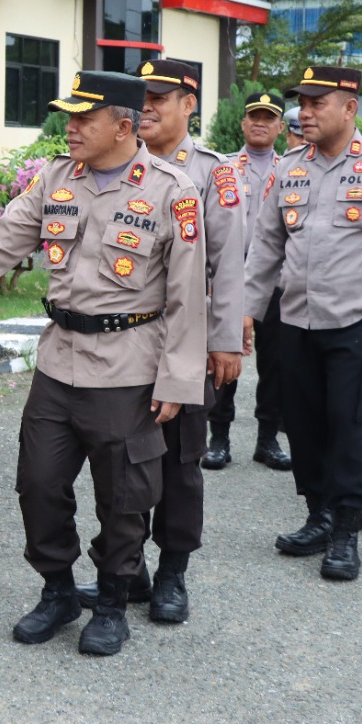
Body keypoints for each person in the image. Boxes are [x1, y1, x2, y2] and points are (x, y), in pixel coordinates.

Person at [0, 71, 208, 656]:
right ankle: (59, 590)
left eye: (82, 119)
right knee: (38, 483)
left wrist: (179, 378)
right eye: (67, 117)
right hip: (59, 362)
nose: (68, 128)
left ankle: (114, 601)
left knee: (123, 495)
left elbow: (188, 296)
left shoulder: (173, 190)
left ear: (122, 126)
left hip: (129, 367)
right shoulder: (55, 178)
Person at [69, 60, 240, 623]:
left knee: (180, 463)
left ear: (189, 103)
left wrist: (224, 342)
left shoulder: (213, 174)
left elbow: (228, 266)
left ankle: (172, 572)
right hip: (122, 350)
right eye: (141, 98)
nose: (147, 107)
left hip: (184, 341)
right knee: (125, 465)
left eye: (161, 97)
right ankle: (128, 570)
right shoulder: (98, 167)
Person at [244, 66, 362, 582]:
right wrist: (246, 312)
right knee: (302, 422)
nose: (305, 112)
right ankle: (317, 515)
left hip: (359, 322)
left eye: (317, 103)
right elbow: (266, 248)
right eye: (302, 102)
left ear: (350, 108)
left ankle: (346, 528)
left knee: (351, 424)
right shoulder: (290, 167)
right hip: (297, 320)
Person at [206, 92, 293, 471]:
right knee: (224, 356)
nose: (259, 123)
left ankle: (267, 439)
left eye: (268, 118)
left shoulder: (293, 170)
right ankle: (218, 439)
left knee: (275, 363)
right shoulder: (224, 168)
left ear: (280, 127)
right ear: (243, 124)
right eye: (253, 117)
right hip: (231, 275)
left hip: (277, 279)